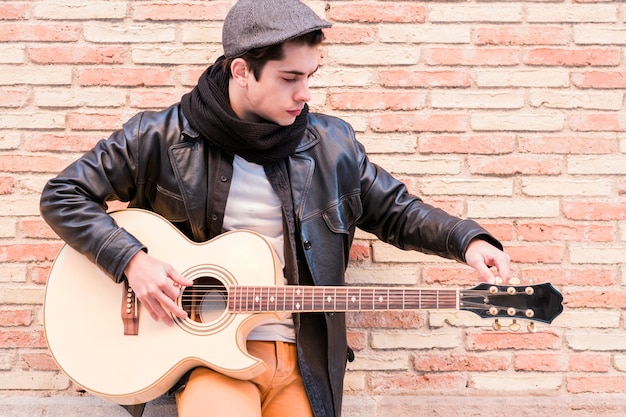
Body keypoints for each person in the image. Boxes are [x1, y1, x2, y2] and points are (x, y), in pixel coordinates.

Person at [40, 0, 511, 416]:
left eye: (310, 77)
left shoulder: (332, 144)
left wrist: (467, 240)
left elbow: (397, 210)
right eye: (290, 78)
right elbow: (62, 194)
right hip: (210, 359)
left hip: (302, 360)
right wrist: (132, 260)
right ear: (242, 71)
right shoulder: (159, 136)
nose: (304, 93)